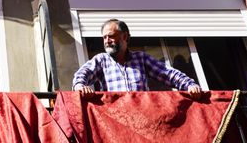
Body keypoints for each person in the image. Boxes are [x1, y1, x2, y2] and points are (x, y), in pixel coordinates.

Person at [72, 19, 204, 99]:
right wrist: (80, 86)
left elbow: (168, 73)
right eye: (104, 37)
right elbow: (82, 74)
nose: (107, 41)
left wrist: (190, 85)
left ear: (125, 37)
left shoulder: (141, 58)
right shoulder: (101, 60)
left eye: (111, 36)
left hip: (143, 121)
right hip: (114, 124)